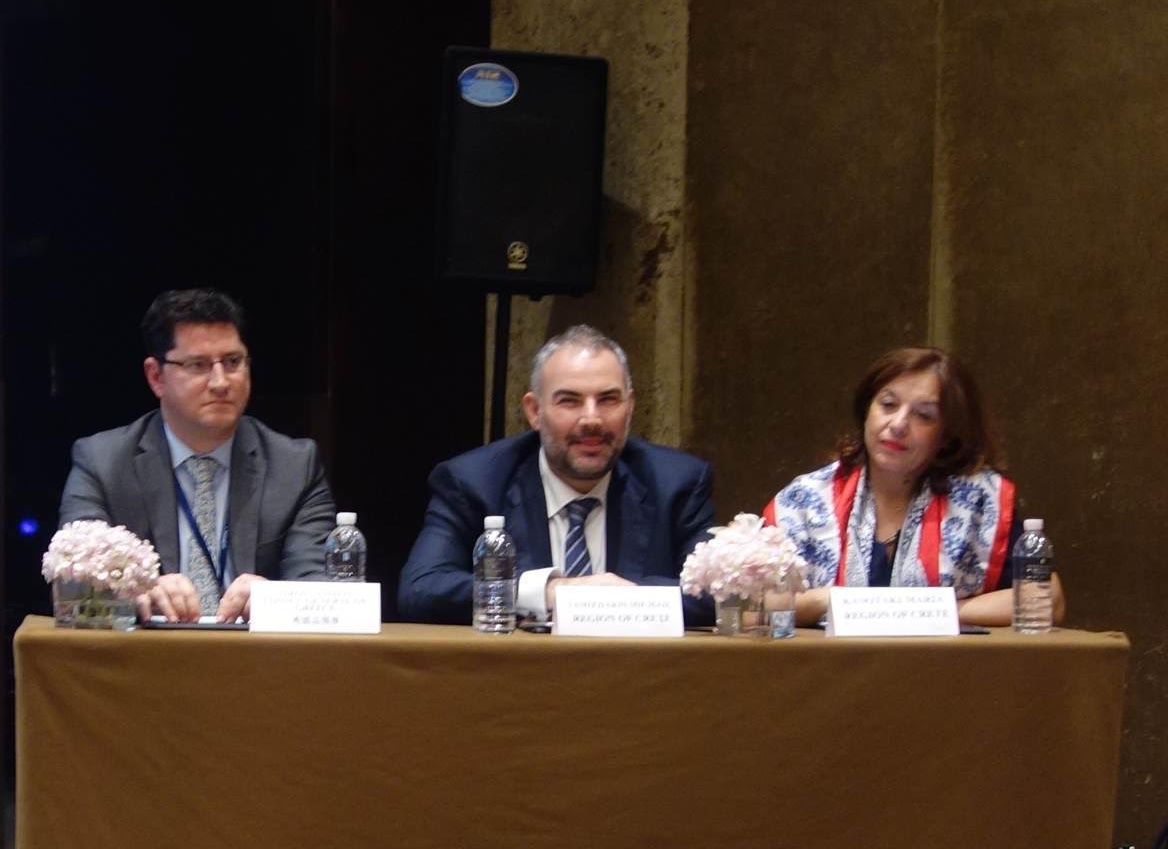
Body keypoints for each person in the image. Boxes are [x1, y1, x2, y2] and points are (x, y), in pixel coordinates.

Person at [398, 324, 717, 627]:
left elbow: (717, 594)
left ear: (630, 406)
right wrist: (550, 592)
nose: (592, 419)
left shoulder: (676, 483)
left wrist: (620, 600)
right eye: (569, 401)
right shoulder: (475, 481)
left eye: (608, 399)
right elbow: (421, 588)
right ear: (534, 411)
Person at [59, 288, 336, 623]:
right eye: (198, 365)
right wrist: (134, 593)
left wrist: (275, 598)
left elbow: (323, 587)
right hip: (146, 653)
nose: (220, 382)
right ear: (156, 377)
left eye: (232, 362)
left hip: (256, 653)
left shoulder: (294, 466)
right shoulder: (103, 462)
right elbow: (72, 581)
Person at [763, 345, 1065, 627]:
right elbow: (754, 607)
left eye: (923, 415)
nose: (898, 424)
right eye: (888, 404)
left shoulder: (980, 501)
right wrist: (823, 601)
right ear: (866, 410)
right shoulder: (805, 500)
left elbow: (1047, 599)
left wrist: (929, 611)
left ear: (947, 434)